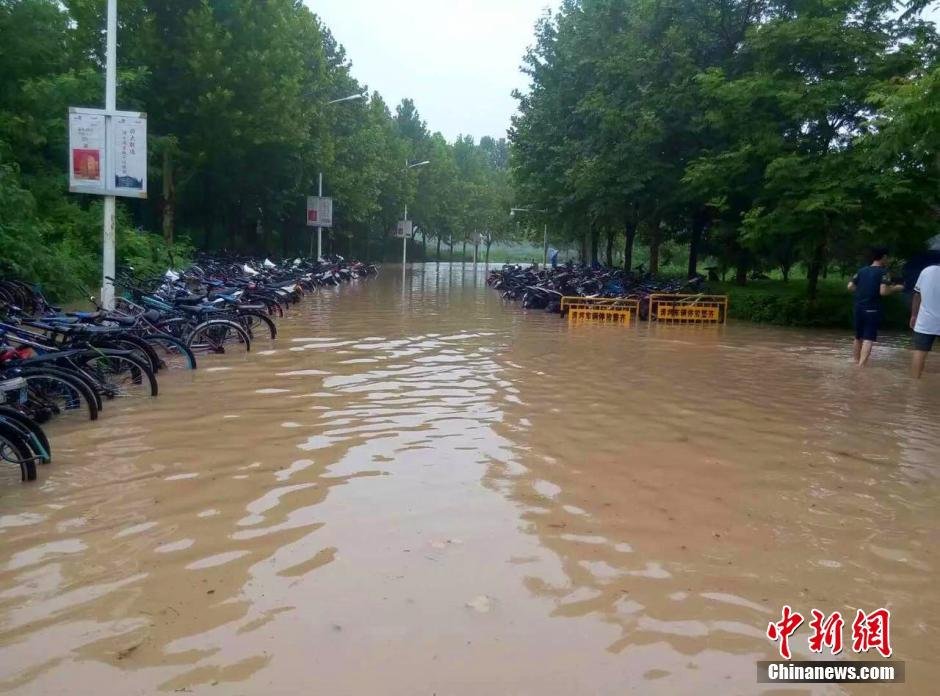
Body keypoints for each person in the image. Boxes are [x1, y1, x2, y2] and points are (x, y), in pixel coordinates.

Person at [847, 247, 904, 367]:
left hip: (858, 306)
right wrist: (897, 288)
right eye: (887, 257)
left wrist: (863, 290)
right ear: (883, 257)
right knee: (868, 337)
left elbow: (850, 286)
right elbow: (883, 291)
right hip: (872, 308)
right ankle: (862, 366)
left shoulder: (862, 270)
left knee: (858, 337)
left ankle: (855, 362)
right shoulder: (884, 272)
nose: (888, 260)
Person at [910, 261, 940, 379]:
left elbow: (917, 295)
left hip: (925, 321)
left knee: (920, 352)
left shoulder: (926, 271)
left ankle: (914, 384)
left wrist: (913, 315)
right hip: (926, 320)